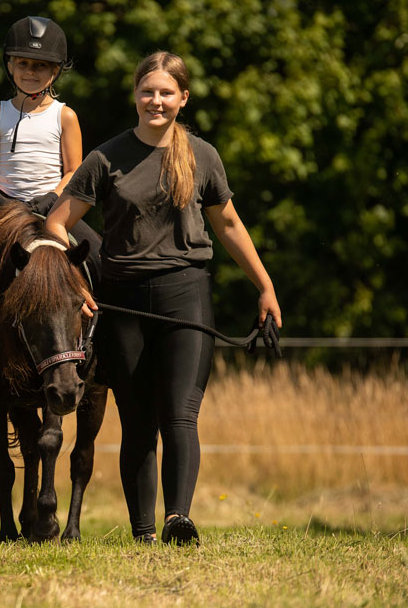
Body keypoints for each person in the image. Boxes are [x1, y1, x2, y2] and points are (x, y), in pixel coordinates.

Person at [45, 51, 282, 546]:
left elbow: (230, 225)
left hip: (185, 293)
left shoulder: (202, 155)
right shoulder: (105, 158)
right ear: (135, 95)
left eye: (166, 92)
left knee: (180, 414)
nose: (156, 100)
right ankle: (144, 532)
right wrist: (78, 287)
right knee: (137, 421)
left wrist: (265, 284)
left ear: (183, 98)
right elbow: (55, 225)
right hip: (123, 300)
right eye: (148, 91)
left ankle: (178, 518)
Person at [0, 15, 101, 289]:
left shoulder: (65, 116)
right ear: (10, 65)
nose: (30, 72)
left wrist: (51, 198)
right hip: (4, 209)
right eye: (23, 63)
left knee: (102, 260)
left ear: (55, 70)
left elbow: (74, 170)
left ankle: (107, 330)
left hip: (53, 208)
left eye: (40, 65)